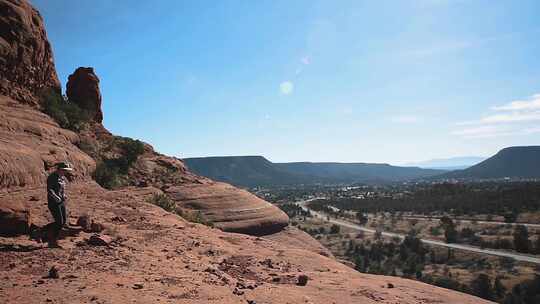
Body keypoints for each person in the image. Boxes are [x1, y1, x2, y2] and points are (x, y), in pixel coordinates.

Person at [46, 162, 73, 247]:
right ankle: (52, 241)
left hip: (61, 201)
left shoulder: (62, 177)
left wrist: (63, 195)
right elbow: (49, 189)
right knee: (59, 222)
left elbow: (62, 188)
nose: (66, 172)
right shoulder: (52, 177)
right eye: (65, 170)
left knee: (63, 221)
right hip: (53, 202)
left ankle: (44, 233)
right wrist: (55, 196)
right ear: (60, 169)